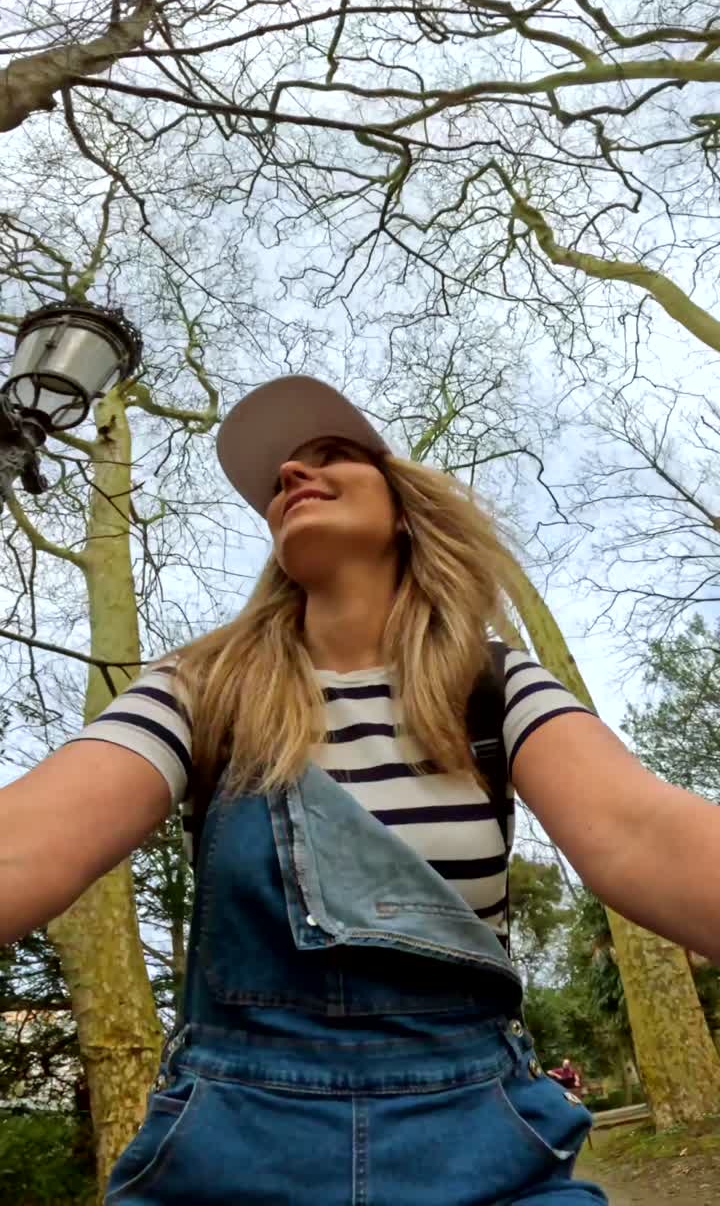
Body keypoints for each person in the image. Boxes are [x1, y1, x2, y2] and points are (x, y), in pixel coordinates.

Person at [2, 374, 720, 1205]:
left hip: (486, 1148)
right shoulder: (198, 691)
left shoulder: (495, 688)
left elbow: (638, 832)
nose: (293, 477)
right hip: (225, 1154)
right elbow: (30, 839)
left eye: (333, 455)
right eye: (280, 479)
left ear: (406, 511)